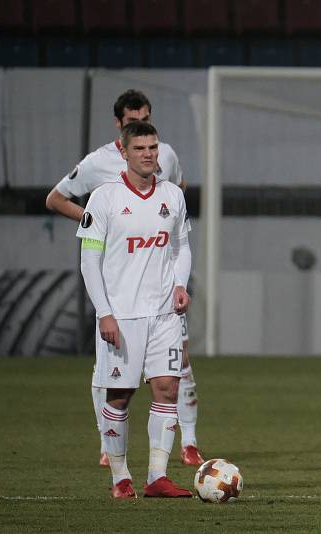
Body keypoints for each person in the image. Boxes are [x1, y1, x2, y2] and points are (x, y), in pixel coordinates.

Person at [46, 89, 204, 467]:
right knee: (114, 381)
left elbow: (174, 201)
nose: (148, 147)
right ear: (120, 126)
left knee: (177, 368)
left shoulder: (165, 155)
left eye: (147, 120)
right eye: (134, 124)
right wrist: (96, 223)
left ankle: (188, 443)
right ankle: (110, 448)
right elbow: (55, 198)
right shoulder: (98, 165)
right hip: (123, 286)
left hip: (162, 281)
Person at [77, 120, 193, 498]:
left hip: (164, 315)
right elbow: (88, 261)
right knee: (120, 396)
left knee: (167, 388)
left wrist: (180, 284)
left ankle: (156, 477)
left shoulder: (172, 195)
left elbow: (181, 247)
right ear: (124, 153)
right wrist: (103, 312)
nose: (148, 155)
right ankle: (120, 477)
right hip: (121, 316)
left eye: (153, 148)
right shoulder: (104, 198)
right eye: (140, 148)